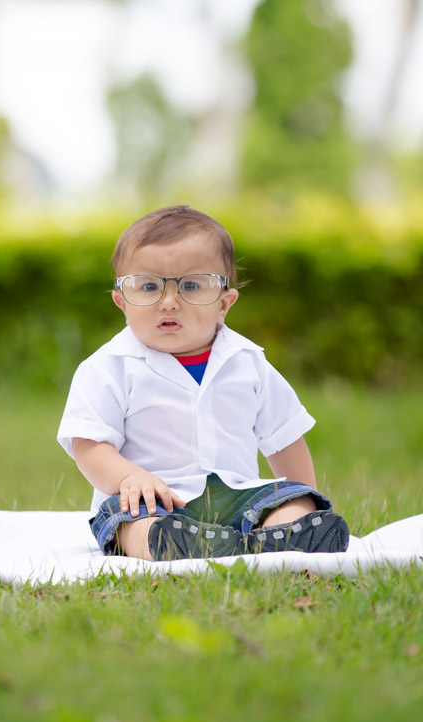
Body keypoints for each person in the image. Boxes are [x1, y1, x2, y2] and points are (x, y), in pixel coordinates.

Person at [57, 205, 349, 561]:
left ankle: (290, 534)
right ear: (122, 301)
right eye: (148, 286)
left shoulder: (248, 362)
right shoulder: (108, 367)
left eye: (191, 286)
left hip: (238, 497)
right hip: (153, 500)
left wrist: (300, 496)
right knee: (130, 522)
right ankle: (167, 545)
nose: (168, 302)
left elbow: (284, 438)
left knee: (292, 499)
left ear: (224, 303)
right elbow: (89, 443)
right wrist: (129, 478)